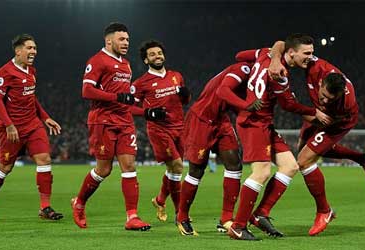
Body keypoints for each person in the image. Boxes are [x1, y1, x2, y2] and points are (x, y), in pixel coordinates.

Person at [245, 39, 365, 236]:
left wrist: (310, 112)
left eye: (330, 98)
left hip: (337, 121)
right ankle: (361, 158)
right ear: (321, 82)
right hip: (317, 115)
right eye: (324, 95)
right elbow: (281, 44)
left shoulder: (345, 102)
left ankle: (324, 211)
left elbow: (323, 120)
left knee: (303, 160)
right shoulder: (314, 65)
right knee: (302, 154)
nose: (325, 99)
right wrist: (275, 59)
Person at [228, 34, 332, 240]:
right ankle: (238, 226)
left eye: (312, 53)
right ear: (291, 53)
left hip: (264, 123)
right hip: (254, 123)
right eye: (307, 53)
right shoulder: (280, 74)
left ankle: (260, 214)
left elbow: (240, 55)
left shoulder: (265, 53)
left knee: (290, 166)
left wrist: (269, 57)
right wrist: (314, 113)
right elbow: (288, 105)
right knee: (261, 173)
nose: (311, 57)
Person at [70, 22, 150, 231]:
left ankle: (132, 217)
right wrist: (116, 96)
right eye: (121, 39)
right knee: (103, 170)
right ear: (109, 40)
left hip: (124, 121)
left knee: (129, 166)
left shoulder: (126, 64)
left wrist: (139, 106)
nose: (126, 43)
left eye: (127, 40)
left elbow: (124, 97)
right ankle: (79, 202)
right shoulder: (97, 61)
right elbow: (87, 91)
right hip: (103, 120)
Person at [175, 51, 264, 236]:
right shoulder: (244, 68)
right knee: (197, 170)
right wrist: (246, 106)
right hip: (202, 118)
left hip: (221, 120)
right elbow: (222, 91)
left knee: (234, 164)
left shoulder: (255, 78)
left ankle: (226, 218)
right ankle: (182, 216)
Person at [0, 34, 63, 221]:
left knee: (44, 159)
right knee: (5, 167)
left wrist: (45, 118)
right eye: (29, 48)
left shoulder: (32, 71)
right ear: (18, 51)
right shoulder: (5, 72)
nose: (34, 52)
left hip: (32, 125)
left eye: (35, 48)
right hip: (12, 128)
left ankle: (45, 208)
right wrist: (9, 125)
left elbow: (32, 98)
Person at [131, 40, 190, 222]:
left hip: (180, 127)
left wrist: (186, 95)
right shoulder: (141, 83)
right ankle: (180, 213)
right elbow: (127, 107)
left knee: (173, 170)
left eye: (159, 53)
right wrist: (147, 112)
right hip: (159, 130)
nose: (157, 56)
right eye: (152, 54)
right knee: (178, 166)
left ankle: (159, 200)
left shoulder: (176, 76)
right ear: (146, 61)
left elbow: (185, 101)